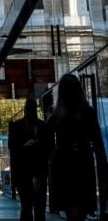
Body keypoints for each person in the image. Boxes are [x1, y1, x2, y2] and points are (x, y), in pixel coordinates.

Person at [47, 73, 107, 221]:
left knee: (70, 211)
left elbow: (47, 140)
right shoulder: (88, 112)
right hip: (83, 166)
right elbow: (98, 143)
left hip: (64, 167)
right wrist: (103, 167)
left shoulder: (57, 115)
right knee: (82, 210)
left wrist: (54, 157)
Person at [8, 98, 48, 221]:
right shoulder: (41, 126)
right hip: (29, 171)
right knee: (35, 207)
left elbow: (12, 148)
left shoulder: (17, 126)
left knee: (28, 207)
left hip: (28, 171)